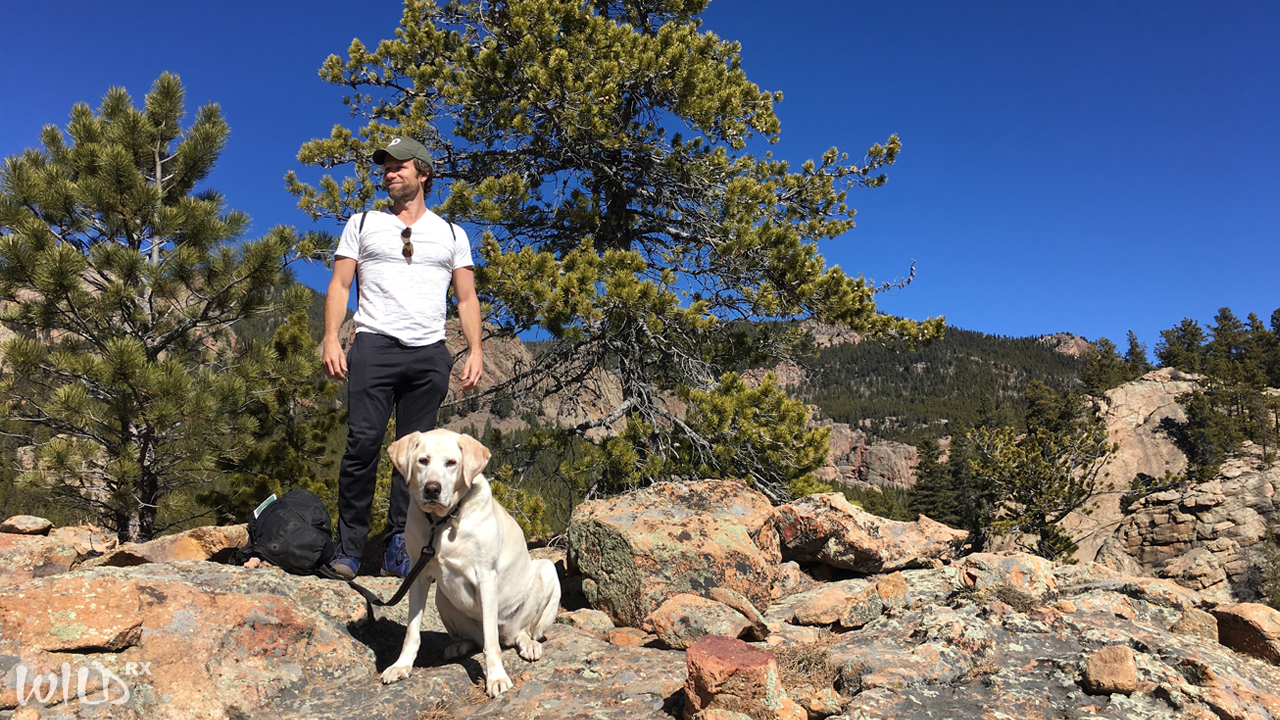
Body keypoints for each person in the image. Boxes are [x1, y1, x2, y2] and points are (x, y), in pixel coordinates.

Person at [321, 136, 483, 579]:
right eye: (386, 168)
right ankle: (349, 549)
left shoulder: (452, 234)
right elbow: (340, 284)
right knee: (362, 445)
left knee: (416, 456)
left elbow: (466, 298)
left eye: (399, 166)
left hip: (429, 354)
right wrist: (331, 338)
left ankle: (400, 544)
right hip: (374, 345)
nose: (389, 174)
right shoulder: (363, 223)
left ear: (423, 173)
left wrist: (476, 349)